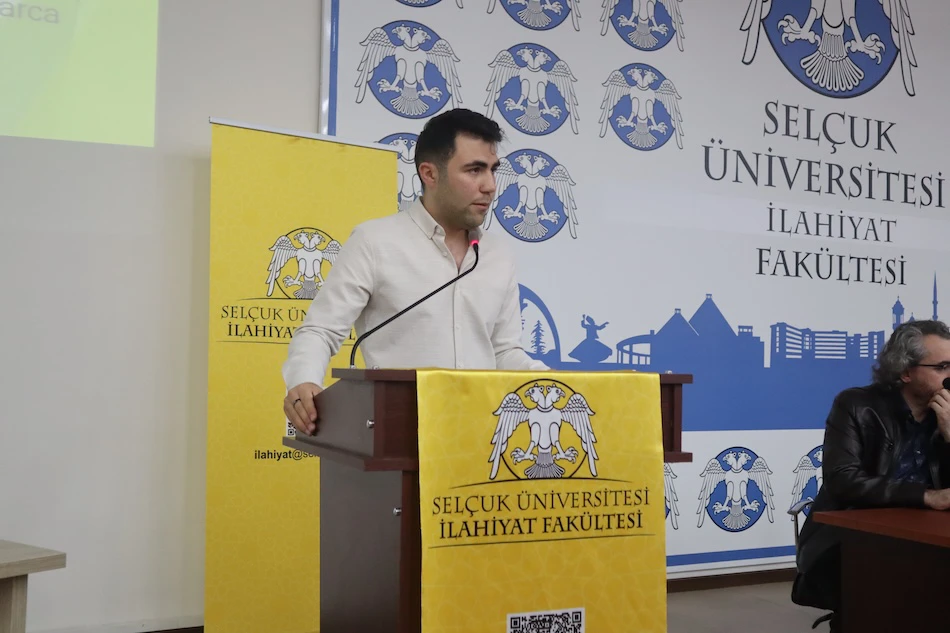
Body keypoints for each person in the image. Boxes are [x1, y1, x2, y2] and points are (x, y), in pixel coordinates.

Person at [282, 108, 547, 435]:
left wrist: (554, 381)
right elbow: (320, 331)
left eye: (493, 170)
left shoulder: (498, 254)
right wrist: (303, 380)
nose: (490, 185)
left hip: (481, 438)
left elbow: (504, 351)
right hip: (395, 435)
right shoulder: (374, 242)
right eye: (475, 170)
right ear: (429, 174)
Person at [791, 320, 950, 630]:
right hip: (855, 538)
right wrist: (927, 496)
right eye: (941, 367)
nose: (949, 376)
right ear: (905, 371)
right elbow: (842, 481)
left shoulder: (946, 412)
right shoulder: (856, 405)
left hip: (929, 537)